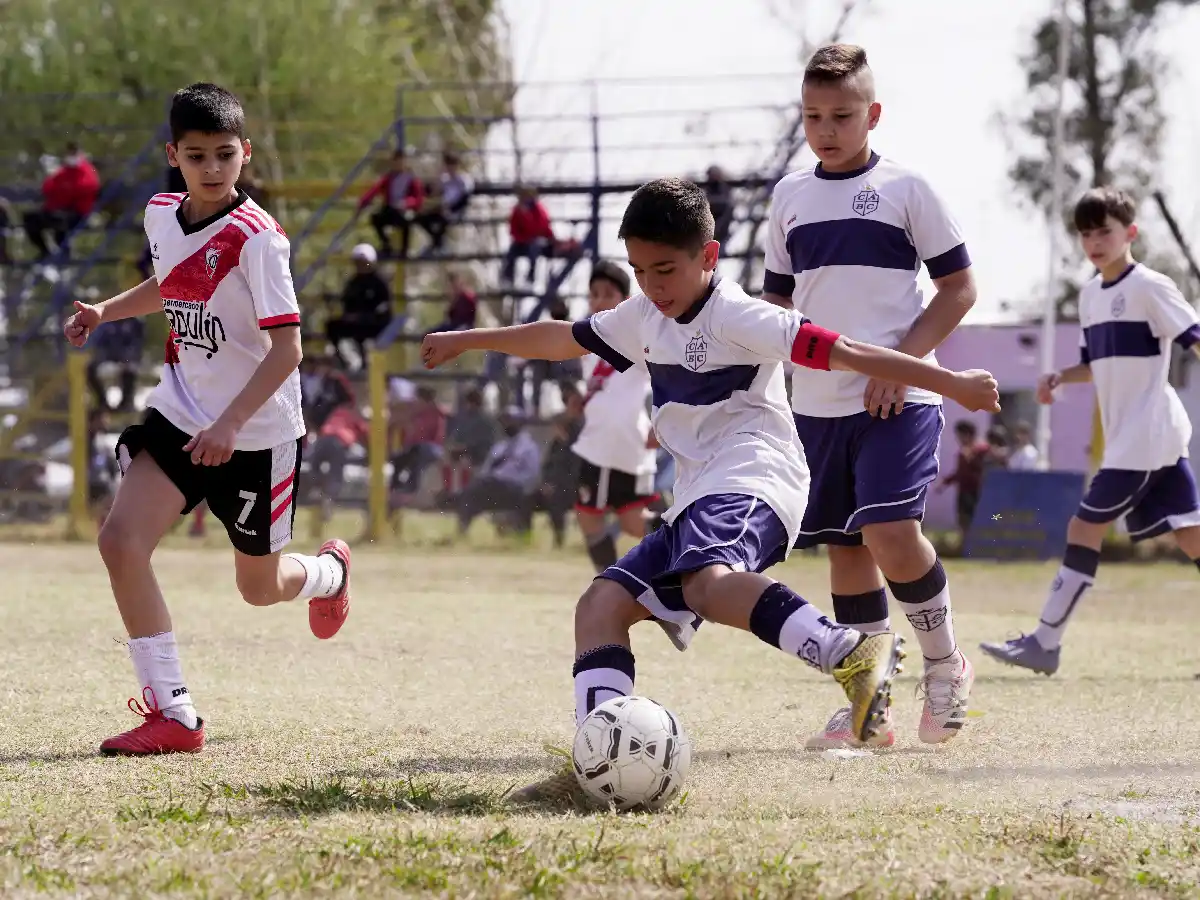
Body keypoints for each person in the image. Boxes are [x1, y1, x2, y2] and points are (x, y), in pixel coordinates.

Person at [421, 177, 999, 805]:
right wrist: (467, 341)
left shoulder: (742, 316)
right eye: (640, 271)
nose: (653, 286)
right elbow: (562, 336)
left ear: (709, 256)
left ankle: (850, 652)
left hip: (757, 475)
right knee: (600, 608)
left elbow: (851, 352)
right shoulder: (643, 316)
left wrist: (953, 384)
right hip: (697, 494)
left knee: (707, 582)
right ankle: (599, 758)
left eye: (665, 269)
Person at [62, 83, 352, 757]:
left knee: (260, 588)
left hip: (257, 436)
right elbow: (172, 281)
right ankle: (175, 713)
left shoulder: (260, 241)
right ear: (175, 157)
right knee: (120, 541)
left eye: (226, 154)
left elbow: (289, 349)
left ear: (245, 153)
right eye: (198, 157)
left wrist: (230, 424)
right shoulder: (161, 215)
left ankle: (331, 573)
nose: (214, 168)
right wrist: (106, 310)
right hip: (180, 414)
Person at [761, 44, 978, 750]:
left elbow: (960, 288)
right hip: (815, 404)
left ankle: (946, 665)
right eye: (813, 116)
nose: (826, 129)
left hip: (900, 397)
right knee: (844, 549)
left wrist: (906, 364)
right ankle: (869, 700)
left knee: (889, 533)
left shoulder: (907, 189)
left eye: (842, 115)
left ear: (872, 115)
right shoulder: (789, 196)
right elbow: (776, 303)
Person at [980, 186, 1200, 675]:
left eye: (1106, 231)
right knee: (1191, 537)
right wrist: (1061, 376)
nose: (1095, 241)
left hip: (1145, 436)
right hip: (1144, 438)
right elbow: (1094, 363)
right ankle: (1045, 644)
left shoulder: (1150, 286)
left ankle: (1044, 643)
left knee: (1084, 527)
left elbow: (1194, 337)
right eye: (1086, 233)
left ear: (1130, 233)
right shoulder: (1089, 295)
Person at [572, 260, 660, 573]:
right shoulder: (590, 343)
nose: (598, 300)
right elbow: (603, 389)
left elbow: (664, 376)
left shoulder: (635, 337)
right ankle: (620, 586)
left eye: (608, 294)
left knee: (614, 519)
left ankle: (615, 585)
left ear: (625, 300)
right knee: (628, 520)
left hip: (614, 446)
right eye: (593, 294)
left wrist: (660, 423)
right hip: (600, 441)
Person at [325, 243, 391, 370]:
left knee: (361, 331)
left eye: (363, 262)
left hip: (373, 322)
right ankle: (342, 360)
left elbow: (383, 307)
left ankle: (364, 361)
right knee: (332, 326)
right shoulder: (353, 282)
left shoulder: (379, 282)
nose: (360, 265)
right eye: (358, 262)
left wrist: (363, 316)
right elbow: (347, 302)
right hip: (356, 321)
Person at [358, 149, 424, 258]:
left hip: (405, 210)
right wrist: (364, 202)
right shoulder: (389, 178)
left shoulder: (411, 178)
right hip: (391, 209)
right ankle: (386, 246)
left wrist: (406, 203)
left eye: (401, 161)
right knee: (376, 218)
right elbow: (376, 189)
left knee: (406, 221)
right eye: (396, 161)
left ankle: (405, 250)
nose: (398, 164)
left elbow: (418, 199)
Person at [937, 420, 991, 538]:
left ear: (967, 434)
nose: (958, 439)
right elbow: (960, 473)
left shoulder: (981, 449)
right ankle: (966, 545)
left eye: (960, 435)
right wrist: (945, 483)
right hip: (963, 491)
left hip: (977, 492)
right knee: (963, 520)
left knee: (975, 519)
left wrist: (971, 457)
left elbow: (984, 468)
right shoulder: (963, 451)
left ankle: (975, 545)